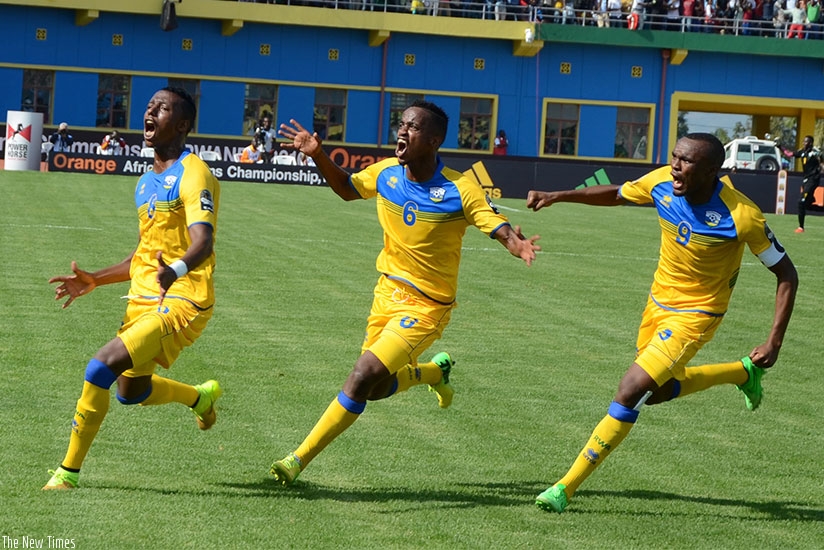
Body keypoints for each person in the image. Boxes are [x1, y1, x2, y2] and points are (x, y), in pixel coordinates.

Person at [269, 100, 541, 485]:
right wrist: (318, 155)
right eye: (401, 124)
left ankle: (297, 459)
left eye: (412, 128)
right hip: (386, 296)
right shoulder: (386, 173)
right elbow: (348, 188)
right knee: (376, 389)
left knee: (362, 375)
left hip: (427, 307)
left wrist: (518, 245)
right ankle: (433, 373)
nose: (402, 132)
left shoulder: (460, 188)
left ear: (433, 141)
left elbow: (496, 225)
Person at [526, 132, 798, 513]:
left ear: (712, 171)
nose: (675, 166)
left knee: (630, 390)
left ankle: (564, 488)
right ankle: (742, 374)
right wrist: (558, 195)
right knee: (656, 391)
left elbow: (786, 273)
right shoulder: (662, 184)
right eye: (675, 157)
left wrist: (774, 341)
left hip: (697, 316)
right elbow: (618, 193)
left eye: (687, 162)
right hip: (656, 306)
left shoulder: (742, 216)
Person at [42, 87, 222, 490]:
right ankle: (199, 397)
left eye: (162, 108)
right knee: (131, 391)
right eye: (149, 106)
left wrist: (174, 271)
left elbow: (202, 242)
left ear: (181, 125)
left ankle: (66, 473)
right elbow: (144, 256)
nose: (150, 111)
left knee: (99, 367)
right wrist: (96, 279)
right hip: (145, 298)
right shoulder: (145, 183)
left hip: (182, 299)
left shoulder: (194, 174)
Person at [782, 135, 823, 233]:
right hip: (806, 180)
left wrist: (820, 157)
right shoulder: (802, 152)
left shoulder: (815, 152)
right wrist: (780, 146)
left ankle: (801, 227)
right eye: (804, 142)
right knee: (807, 205)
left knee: (801, 201)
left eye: (806, 142)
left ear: (811, 143)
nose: (804, 143)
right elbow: (789, 154)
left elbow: (822, 159)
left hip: (813, 180)